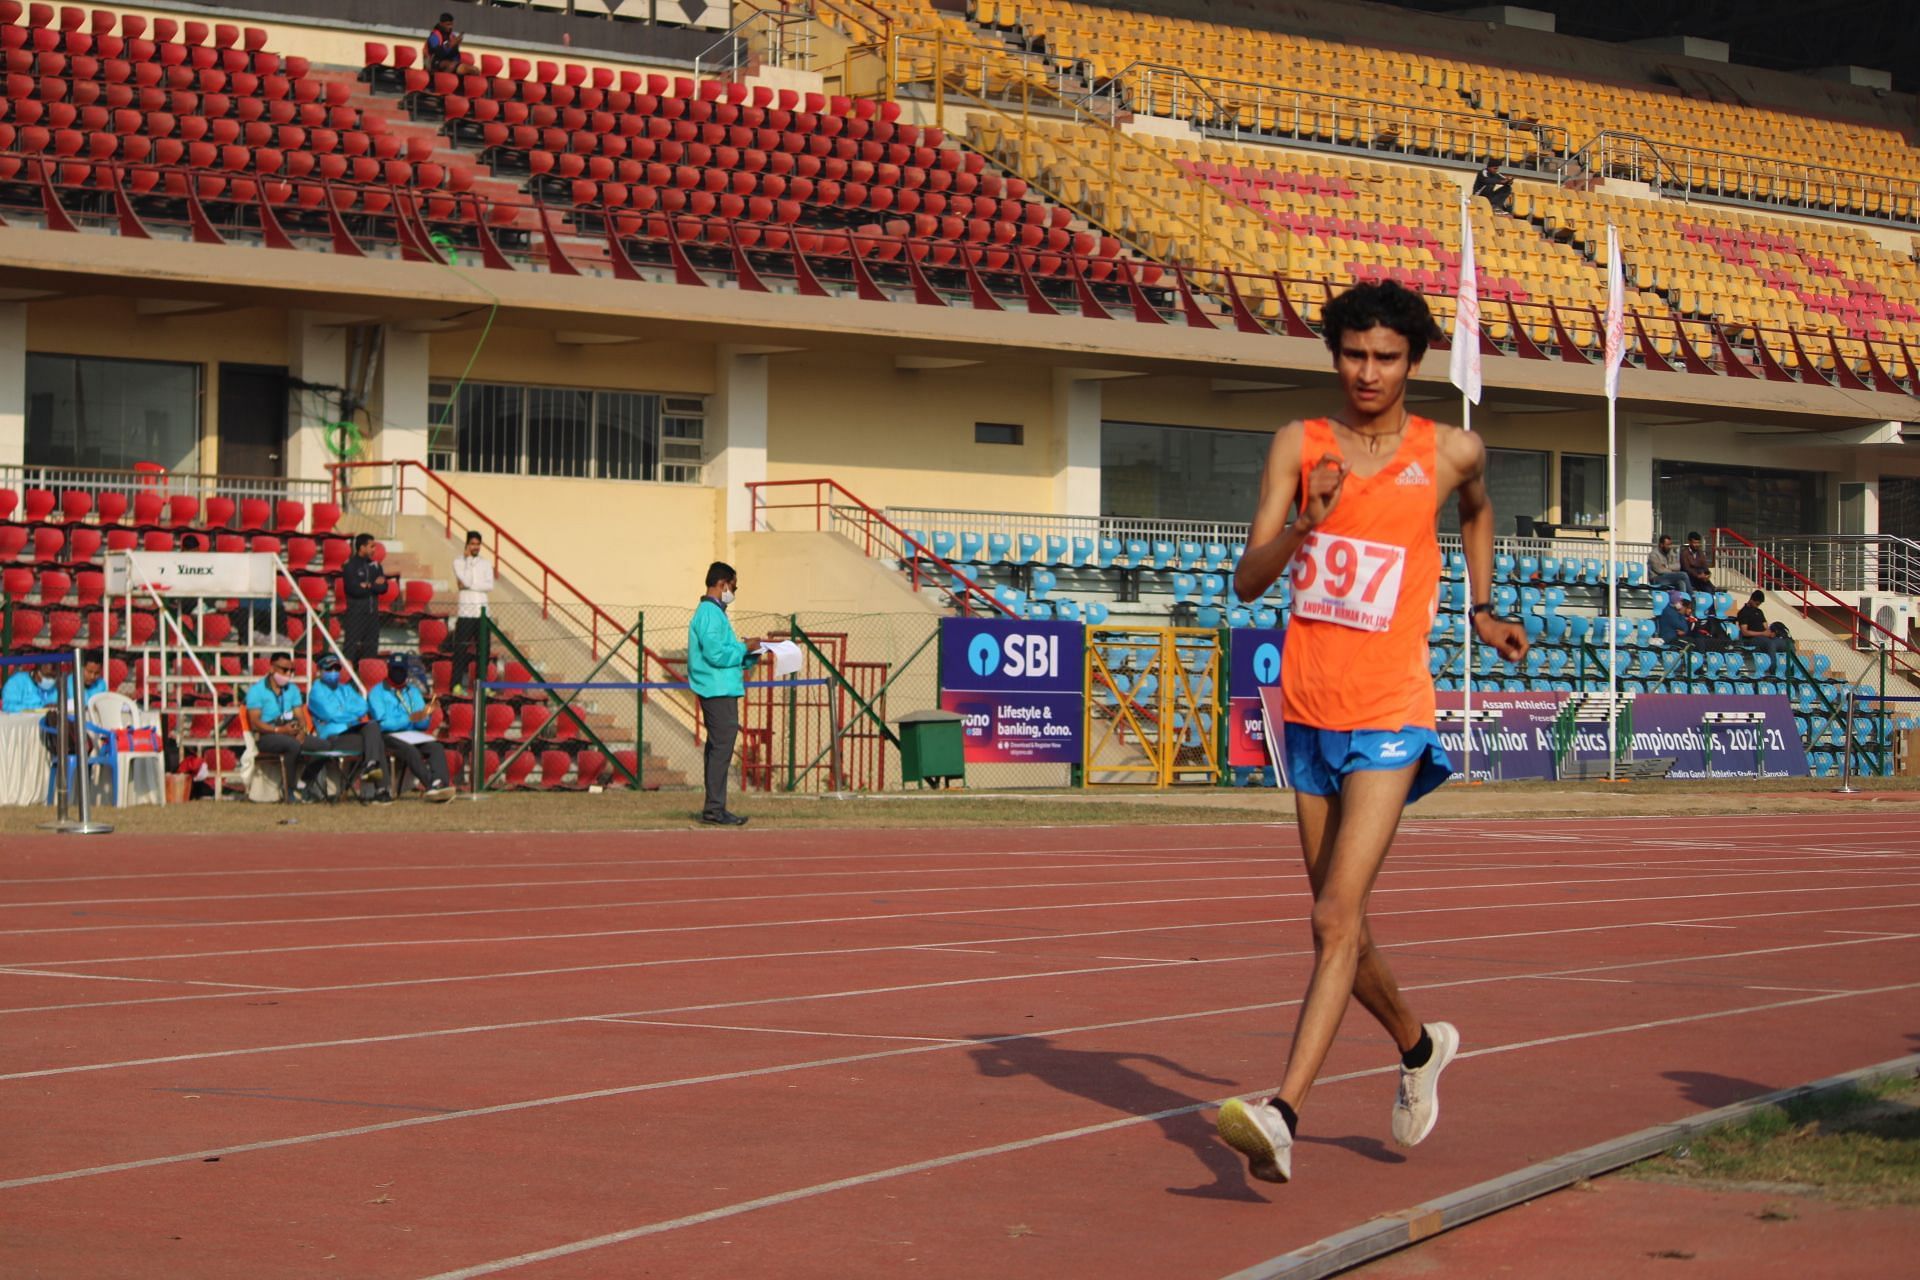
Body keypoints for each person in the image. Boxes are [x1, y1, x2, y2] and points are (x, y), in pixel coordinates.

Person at [1215, 280, 1528, 1187]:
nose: (1368, 372)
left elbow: (1476, 507)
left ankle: (1283, 1113)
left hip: (1392, 709)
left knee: (1330, 917)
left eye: (1386, 357)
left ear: (1414, 363)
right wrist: (1307, 524)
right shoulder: (1298, 446)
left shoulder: (1451, 450)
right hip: (1308, 708)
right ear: (1334, 356)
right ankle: (1420, 1045)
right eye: (1353, 354)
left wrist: (1482, 606)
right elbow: (1248, 580)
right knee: (1339, 928)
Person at [687, 561, 762, 826]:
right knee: (721, 748)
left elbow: (725, 652)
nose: (734, 591)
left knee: (718, 747)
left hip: (722, 687)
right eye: (734, 586)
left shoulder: (716, 614)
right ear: (723, 584)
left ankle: (715, 807)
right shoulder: (709, 613)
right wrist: (744, 649)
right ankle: (714, 809)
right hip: (716, 689)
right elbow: (715, 654)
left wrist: (749, 655)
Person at [308, 652, 392, 803]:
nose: (333, 673)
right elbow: (330, 713)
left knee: (372, 727)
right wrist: (350, 716)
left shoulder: (345, 688)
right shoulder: (316, 691)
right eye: (329, 669)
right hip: (332, 738)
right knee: (376, 740)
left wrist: (342, 713)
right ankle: (381, 790)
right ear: (319, 671)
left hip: (350, 733)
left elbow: (363, 706)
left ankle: (371, 765)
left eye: (336, 669)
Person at [369, 655, 454, 802]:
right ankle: (431, 786)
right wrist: (408, 719)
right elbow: (383, 724)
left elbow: (422, 724)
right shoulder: (377, 692)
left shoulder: (412, 692)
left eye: (402, 670)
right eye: (395, 670)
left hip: (411, 734)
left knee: (436, 747)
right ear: (388, 669)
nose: (398, 673)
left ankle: (440, 782)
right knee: (410, 751)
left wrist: (423, 717)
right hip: (387, 736)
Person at [243, 651, 313, 804]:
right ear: (272, 668)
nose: (288, 674)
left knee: (324, 746)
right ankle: (289, 790)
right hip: (267, 735)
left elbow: (300, 715)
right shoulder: (257, 691)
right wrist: (279, 730)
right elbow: (255, 722)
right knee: (292, 745)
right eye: (284, 670)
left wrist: (302, 730)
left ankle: (306, 784)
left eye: (291, 670)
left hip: (291, 731)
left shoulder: (292, 689)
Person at [450, 530, 494, 696]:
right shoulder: (459, 561)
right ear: (467, 544)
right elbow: (465, 580)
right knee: (460, 650)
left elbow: (489, 586)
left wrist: (470, 585)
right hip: (465, 612)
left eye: (478, 544)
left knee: (484, 651)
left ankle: (483, 685)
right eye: (473, 544)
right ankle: (456, 684)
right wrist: (468, 560)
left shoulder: (485, 563)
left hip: (482, 613)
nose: (475, 547)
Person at [342, 533, 389, 667]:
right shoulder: (350, 566)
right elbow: (354, 590)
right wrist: (374, 585)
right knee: (350, 650)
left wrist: (368, 585)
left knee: (371, 651)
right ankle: (347, 681)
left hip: (372, 615)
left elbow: (384, 587)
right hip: (355, 615)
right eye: (371, 546)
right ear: (362, 547)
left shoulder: (376, 565)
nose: (374, 549)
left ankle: (368, 683)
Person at [1735, 590, 1790, 655]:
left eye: (1759, 604)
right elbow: (1745, 632)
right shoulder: (1743, 612)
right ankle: (1772, 665)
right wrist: (1763, 633)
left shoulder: (1759, 612)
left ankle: (1791, 664)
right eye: (1757, 604)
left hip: (1765, 637)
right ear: (1751, 599)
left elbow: (1766, 627)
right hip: (1752, 639)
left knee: (1787, 644)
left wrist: (1770, 633)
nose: (1757, 606)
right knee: (1771, 644)